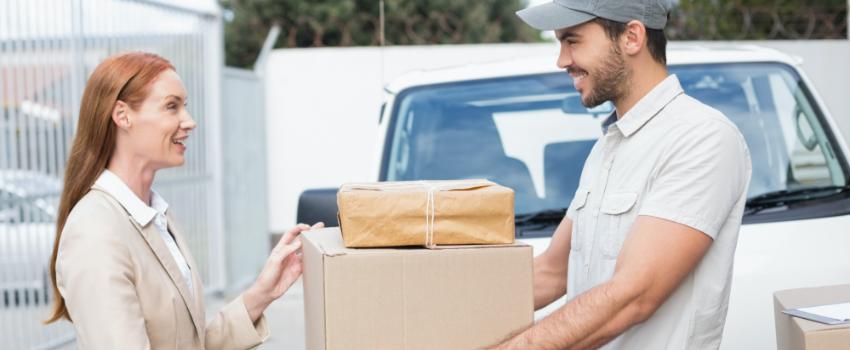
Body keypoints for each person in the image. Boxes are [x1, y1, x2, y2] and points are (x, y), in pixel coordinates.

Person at [489, 1, 752, 349]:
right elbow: (552, 273)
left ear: (631, 37)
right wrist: (429, 312)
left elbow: (633, 296)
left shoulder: (701, 137)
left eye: (573, 41)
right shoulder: (608, 147)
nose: (562, 60)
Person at [44, 52, 322, 349]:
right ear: (122, 115)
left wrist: (262, 293)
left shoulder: (158, 216)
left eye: (184, 106)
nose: (189, 121)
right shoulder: (94, 232)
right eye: (171, 106)